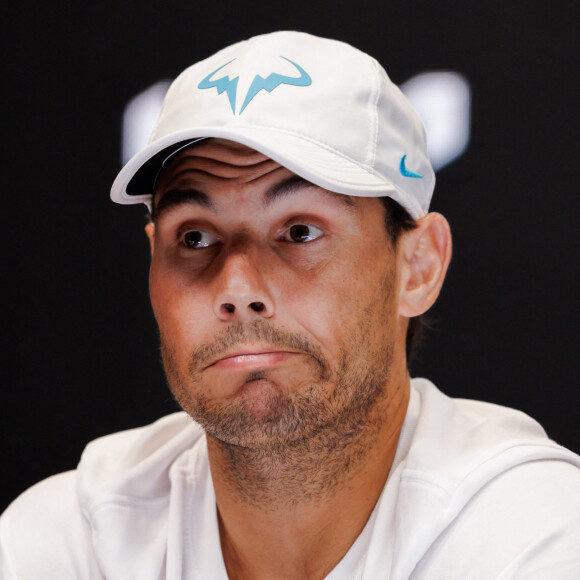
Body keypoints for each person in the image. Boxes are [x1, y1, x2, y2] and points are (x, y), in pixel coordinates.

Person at [2, 31, 580, 580]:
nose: (236, 285)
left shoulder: (530, 531)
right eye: (195, 238)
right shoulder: (72, 540)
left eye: (299, 231)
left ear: (418, 266)